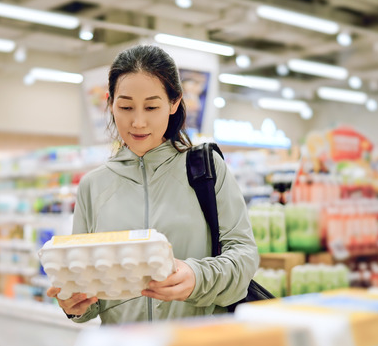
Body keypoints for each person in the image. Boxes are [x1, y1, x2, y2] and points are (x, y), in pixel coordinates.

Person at [45, 44, 259, 324]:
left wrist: (197, 277)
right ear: (110, 103)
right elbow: (89, 295)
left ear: (173, 103)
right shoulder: (93, 186)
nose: (138, 122)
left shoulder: (205, 170)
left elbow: (244, 255)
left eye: (151, 106)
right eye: (125, 107)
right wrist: (75, 303)